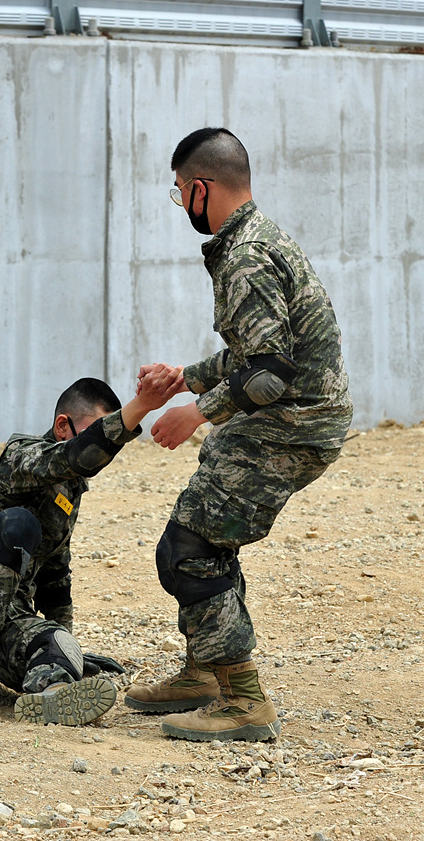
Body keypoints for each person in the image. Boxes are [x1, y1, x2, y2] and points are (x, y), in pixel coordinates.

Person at [124, 128, 352, 742]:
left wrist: (197, 412)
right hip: (289, 418)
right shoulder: (254, 239)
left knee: (189, 548)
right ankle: (204, 674)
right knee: (203, 531)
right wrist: (184, 379)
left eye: (180, 193)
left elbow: (271, 373)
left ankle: (243, 700)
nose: (182, 206)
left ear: (201, 188)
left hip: (291, 425)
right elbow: (255, 353)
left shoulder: (246, 256)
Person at [0, 369, 180, 724]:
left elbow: (55, 572)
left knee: (58, 646)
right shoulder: (23, 455)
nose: (105, 451)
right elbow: (78, 456)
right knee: (17, 524)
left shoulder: (68, 491)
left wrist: (68, 648)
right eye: (95, 431)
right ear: (63, 427)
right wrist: (142, 405)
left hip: (0, 614)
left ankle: (51, 694)